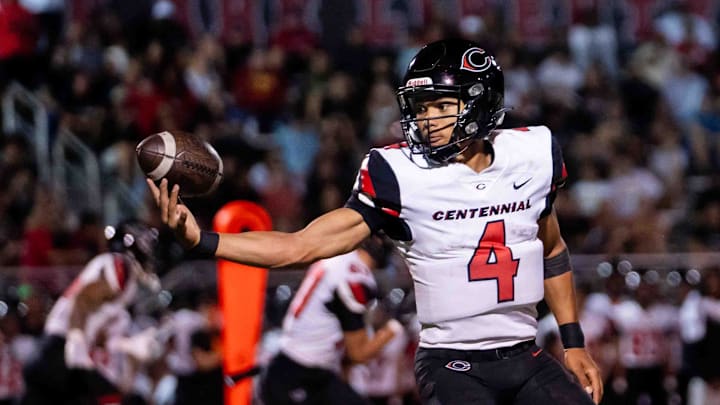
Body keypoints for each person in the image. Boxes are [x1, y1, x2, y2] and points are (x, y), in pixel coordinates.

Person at [148, 38, 604, 404]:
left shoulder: (531, 154)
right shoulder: (401, 174)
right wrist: (203, 241)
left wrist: (573, 340)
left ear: (480, 101)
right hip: (453, 363)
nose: (426, 120)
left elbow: (551, 249)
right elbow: (300, 246)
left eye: (440, 106)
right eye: (420, 108)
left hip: (527, 353)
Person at [20, 219, 164, 405]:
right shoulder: (120, 266)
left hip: (55, 355)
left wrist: (127, 345)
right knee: (108, 396)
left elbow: (98, 333)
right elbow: (84, 298)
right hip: (57, 353)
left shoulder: (119, 271)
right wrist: (76, 338)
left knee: (108, 394)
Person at [259, 236, 403, 405]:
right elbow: (358, 354)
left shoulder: (337, 258)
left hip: (302, 370)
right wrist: (395, 326)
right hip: (297, 375)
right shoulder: (354, 277)